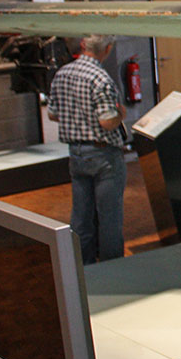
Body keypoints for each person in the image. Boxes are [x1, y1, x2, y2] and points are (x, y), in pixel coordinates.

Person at [47, 34, 130, 265]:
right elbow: (107, 121)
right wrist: (121, 114)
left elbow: (53, 113)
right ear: (108, 49)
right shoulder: (100, 78)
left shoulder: (62, 73)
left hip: (76, 153)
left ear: (83, 46)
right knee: (109, 217)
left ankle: (82, 268)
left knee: (81, 217)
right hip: (104, 155)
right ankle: (112, 268)